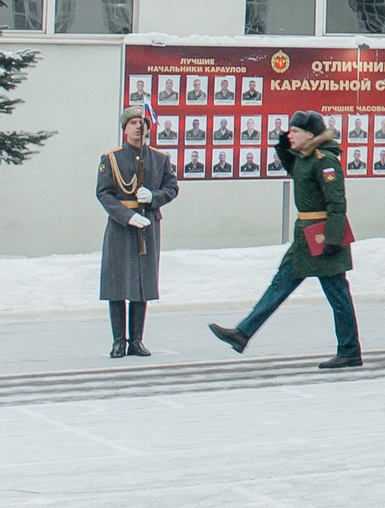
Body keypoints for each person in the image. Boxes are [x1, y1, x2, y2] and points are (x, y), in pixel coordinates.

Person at [210, 110, 362, 369]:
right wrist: (283, 148)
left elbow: (337, 202)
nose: (289, 135)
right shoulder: (304, 158)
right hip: (305, 238)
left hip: (324, 237)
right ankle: (242, 333)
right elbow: (296, 171)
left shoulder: (325, 160)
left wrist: (334, 239)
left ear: (310, 135)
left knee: (337, 295)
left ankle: (349, 351)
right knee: (280, 284)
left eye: (294, 132)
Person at [100, 104, 179, 357]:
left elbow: (172, 188)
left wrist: (154, 196)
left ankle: (136, 340)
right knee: (118, 283)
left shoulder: (159, 158)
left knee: (141, 283)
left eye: (141, 123)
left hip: (148, 225)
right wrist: (127, 216)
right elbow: (104, 193)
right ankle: (118, 341)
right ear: (125, 128)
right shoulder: (111, 158)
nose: (138, 127)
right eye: (133, 123)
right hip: (121, 227)